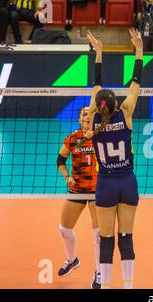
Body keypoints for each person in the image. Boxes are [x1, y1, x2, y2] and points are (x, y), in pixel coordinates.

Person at [85, 28, 143, 289]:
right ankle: (128, 287)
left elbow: (95, 84)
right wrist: (139, 50)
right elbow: (136, 82)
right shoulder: (127, 112)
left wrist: (99, 53)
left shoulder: (93, 118)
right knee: (126, 238)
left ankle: (105, 286)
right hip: (127, 182)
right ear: (117, 104)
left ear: (98, 106)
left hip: (106, 184)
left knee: (106, 240)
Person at [56, 106, 101, 289]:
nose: (88, 117)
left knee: (99, 234)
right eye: (84, 114)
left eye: (91, 114)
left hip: (98, 191)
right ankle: (72, 259)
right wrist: (67, 176)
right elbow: (60, 160)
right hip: (77, 190)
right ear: (79, 119)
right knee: (64, 229)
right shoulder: (73, 138)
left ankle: (99, 273)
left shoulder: (100, 136)